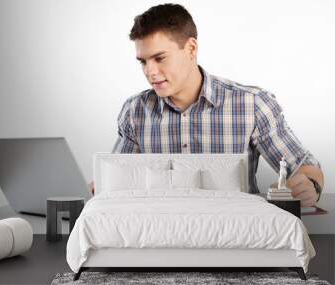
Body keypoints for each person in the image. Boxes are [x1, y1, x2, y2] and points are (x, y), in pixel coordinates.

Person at [91, 3, 324, 207]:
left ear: (191, 48)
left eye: (159, 58)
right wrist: (106, 184)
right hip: (158, 238)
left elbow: (306, 168)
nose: (150, 71)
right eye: (143, 61)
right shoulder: (135, 112)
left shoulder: (252, 104)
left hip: (236, 239)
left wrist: (308, 186)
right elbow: (118, 181)